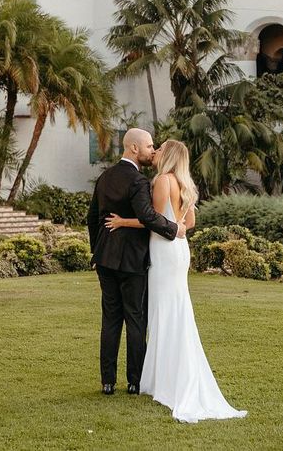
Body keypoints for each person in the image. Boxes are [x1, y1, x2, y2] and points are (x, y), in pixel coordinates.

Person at [105, 139, 247, 423]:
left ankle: (164, 380)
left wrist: (122, 222)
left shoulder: (162, 181)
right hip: (179, 251)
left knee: (163, 312)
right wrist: (179, 225)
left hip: (164, 249)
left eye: (158, 149)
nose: (154, 152)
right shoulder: (184, 183)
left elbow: (152, 220)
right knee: (176, 310)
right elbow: (189, 223)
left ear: (167, 155)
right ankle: (165, 375)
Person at [87, 128, 185, 397]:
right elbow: (147, 216)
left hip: (106, 258)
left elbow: (92, 218)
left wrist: (96, 251)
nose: (152, 151)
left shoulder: (104, 177)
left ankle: (107, 383)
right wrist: (172, 229)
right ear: (133, 148)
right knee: (135, 319)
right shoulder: (139, 181)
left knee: (110, 321)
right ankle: (134, 382)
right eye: (149, 146)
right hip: (132, 260)